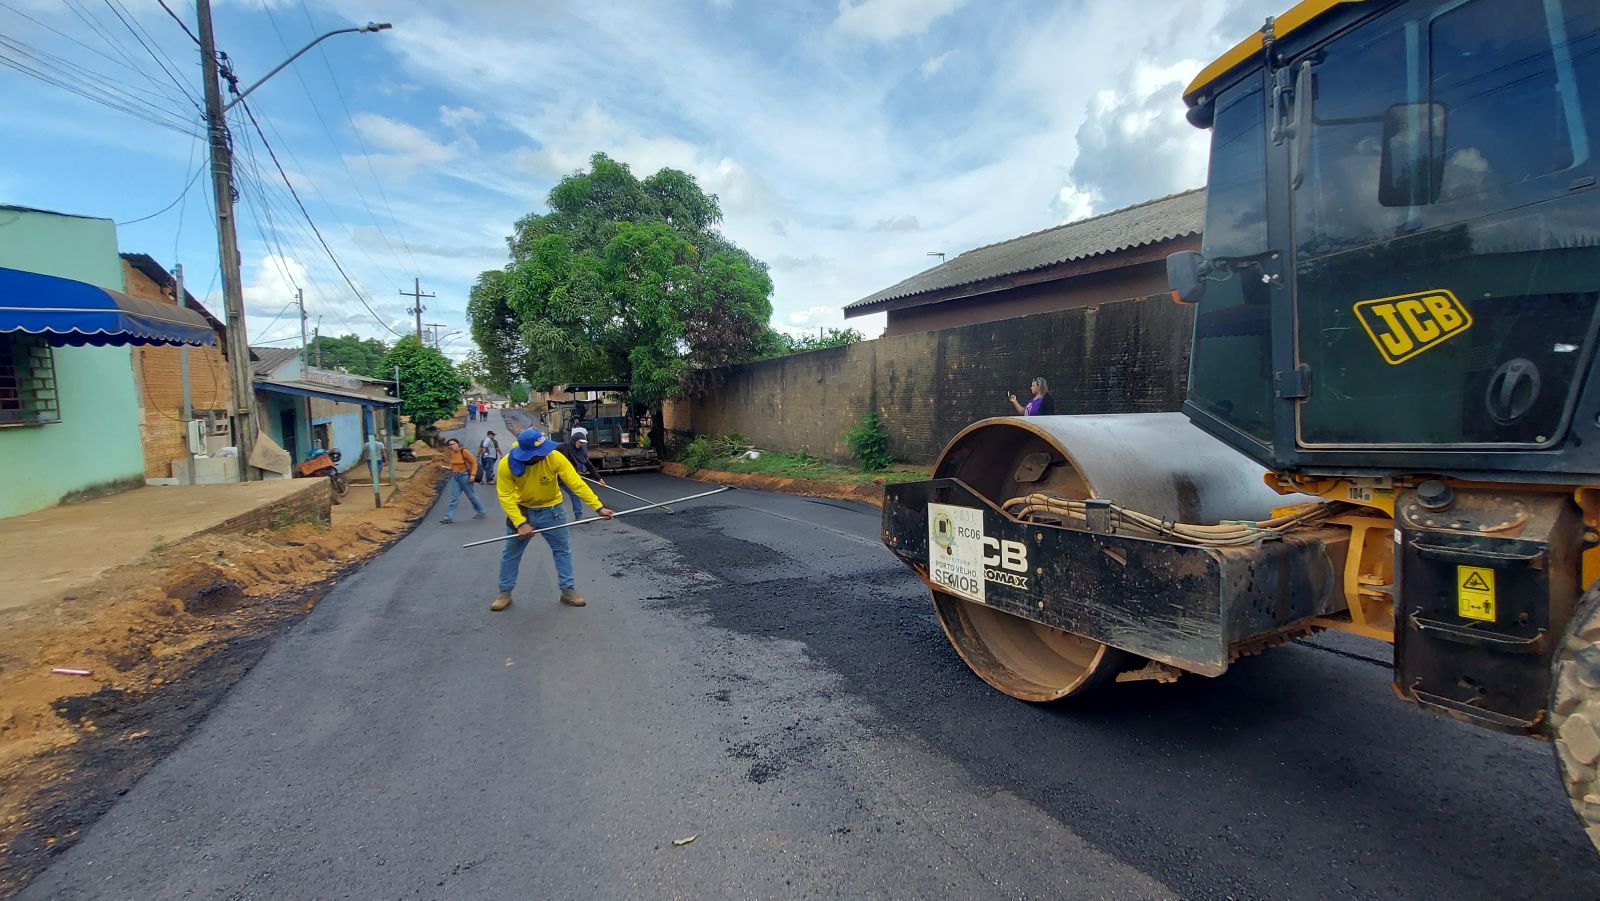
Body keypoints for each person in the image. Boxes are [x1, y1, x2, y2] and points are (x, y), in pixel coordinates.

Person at [492, 428, 616, 611]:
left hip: (553, 511)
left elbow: (576, 483)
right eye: (540, 452)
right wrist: (520, 522)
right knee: (510, 553)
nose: (545, 454)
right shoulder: (506, 465)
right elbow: (505, 496)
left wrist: (598, 507)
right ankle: (505, 593)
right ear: (527, 454)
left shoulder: (554, 457)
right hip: (523, 510)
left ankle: (568, 590)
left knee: (562, 551)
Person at [556, 426, 606, 520]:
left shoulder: (580, 452)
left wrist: (599, 479)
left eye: (583, 443)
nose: (582, 444)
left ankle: (578, 515)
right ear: (575, 440)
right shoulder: (562, 447)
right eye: (581, 442)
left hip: (569, 477)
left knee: (574, 494)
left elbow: (589, 465)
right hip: (555, 476)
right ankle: (556, 518)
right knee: (554, 497)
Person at [439, 437, 487, 522]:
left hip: (464, 476)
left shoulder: (464, 451)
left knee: (471, 496)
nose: (451, 446)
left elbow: (474, 462)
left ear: (458, 444)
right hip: (455, 476)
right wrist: (447, 468)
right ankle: (448, 517)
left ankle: (481, 511)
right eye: (450, 445)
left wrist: (472, 475)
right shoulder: (452, 453)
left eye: (453, 444)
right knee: (454, 497)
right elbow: (454, 465)